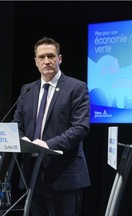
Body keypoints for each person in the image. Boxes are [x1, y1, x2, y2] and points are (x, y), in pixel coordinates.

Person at [13, 37, 90, 216]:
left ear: (59, 59)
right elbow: (17, 124)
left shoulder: (76, 87)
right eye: (41, 57)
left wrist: (48, 145)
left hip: (64, 175)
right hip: (32, 175)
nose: (46, 61)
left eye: (51, 56)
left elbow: (80, 127)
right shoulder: (27, 90)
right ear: (35, 62)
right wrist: (21, 139)